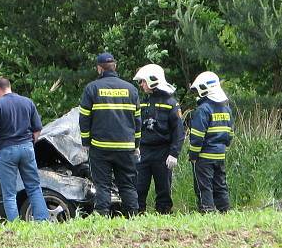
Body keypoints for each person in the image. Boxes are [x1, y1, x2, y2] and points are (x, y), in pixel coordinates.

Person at [79, 52, 141, 216]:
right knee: (127, 185)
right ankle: (133, 217)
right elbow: (138, 121)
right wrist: (136, 145)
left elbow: (84, 118)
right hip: (126, 147)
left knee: (103, 185)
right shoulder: (131, 89)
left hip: (100, 147)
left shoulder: (92, 88)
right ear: (115, 66)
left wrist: (86, 142)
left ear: (99, 68)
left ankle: (102, 216)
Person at [0, 76, 49, 222]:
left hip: (6, 150)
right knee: (34, 187)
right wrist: (30, 143)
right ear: (9, 86)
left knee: (9, 193)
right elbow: (38, 128)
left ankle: (15, 226)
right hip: (27, 147)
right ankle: (43, 221)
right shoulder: (27, 102)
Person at [132, 64, 184, 214]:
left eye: (143, 81)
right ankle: (137, 214)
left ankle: (164, 215)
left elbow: (178, 132)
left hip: (163, 152)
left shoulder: (171, 103)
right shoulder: (143, 102)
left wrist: (174, 153)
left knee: (164, 189)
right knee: (139, 187)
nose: (141, 85)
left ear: (152, 80)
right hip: (144, 151)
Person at [188, 71, 234, 212]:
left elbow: (197, 137)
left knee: (204, 186)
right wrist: (222, 148)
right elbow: (230, 133)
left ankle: (207, 211)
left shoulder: (203, 110)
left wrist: (193, 156)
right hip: (220, 155)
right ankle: (224, 210)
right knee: (220, 185)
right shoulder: (226, 109)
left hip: (204, 157)